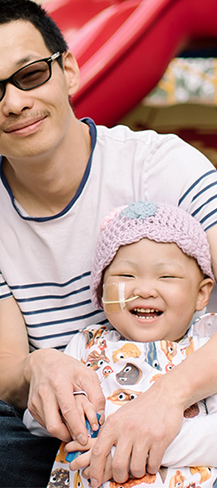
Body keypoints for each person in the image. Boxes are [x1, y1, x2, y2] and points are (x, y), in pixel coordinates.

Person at [0, 0, 217, 487]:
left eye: (31, 74)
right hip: (70, 440)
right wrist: (39, 367)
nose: (16, 102)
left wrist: (168, 400)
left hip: (190, 416)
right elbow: (7, 369)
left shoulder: (162, 166)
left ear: (70, 70)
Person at [23, 201, 217, 488]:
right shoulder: (86, 344)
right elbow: (33, 421)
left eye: (167, 277)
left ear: (202, 294)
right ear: (101, 291)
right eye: (126, 276)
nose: (144, 290)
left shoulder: (205, 347)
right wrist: (66, 411)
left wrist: (128, 447)